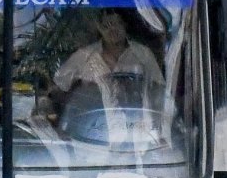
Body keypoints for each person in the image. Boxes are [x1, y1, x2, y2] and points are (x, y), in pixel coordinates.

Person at [52, 9, 165, 143]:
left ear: (125, 25)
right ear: (99, 28)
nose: (112, 30)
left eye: (116, 24)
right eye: (106, 26)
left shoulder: (143, 54)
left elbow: (159, 92)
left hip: (138, 136)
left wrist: (160, 130)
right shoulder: (84, 56)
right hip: (93, 136)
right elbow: (58, 87)